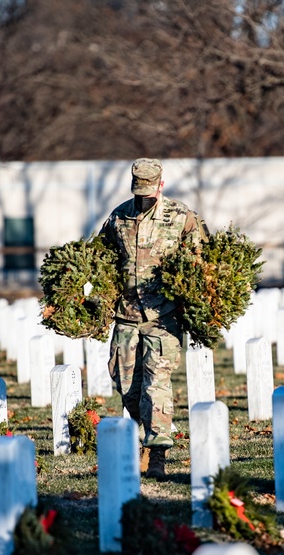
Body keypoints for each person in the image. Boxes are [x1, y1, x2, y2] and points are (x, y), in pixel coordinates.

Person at [98, 158, 208, 478]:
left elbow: (204, 261)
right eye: (139, 192)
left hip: (163, 316)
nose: (143, 198)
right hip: (127, 314)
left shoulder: (181, 218)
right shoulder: (119, 217)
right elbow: (100, 258)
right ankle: (141, 436)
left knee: (155, 383)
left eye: (149, 192)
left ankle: (158, 451)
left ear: (160, 184)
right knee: (126, 383)